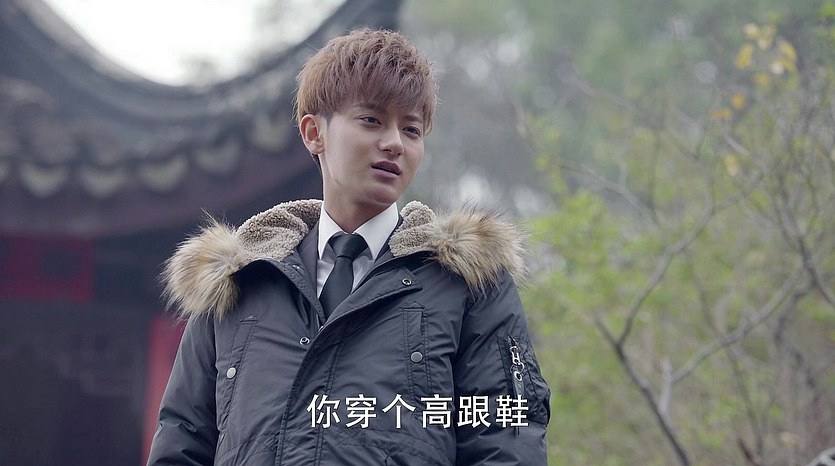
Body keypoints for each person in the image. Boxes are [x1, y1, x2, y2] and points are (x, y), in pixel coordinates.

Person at [147, 28, 550, 466]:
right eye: (372, 120)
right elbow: (182, 440)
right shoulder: (236, 281)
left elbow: (508, 439)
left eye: (411, 129)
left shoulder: (468, 282)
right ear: (313, 132)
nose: (394, 143)